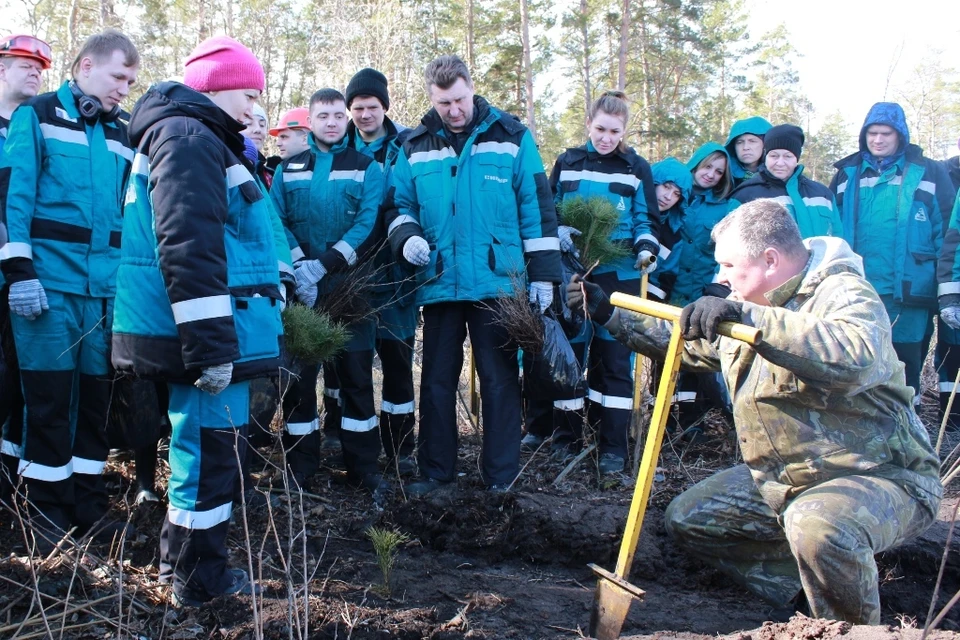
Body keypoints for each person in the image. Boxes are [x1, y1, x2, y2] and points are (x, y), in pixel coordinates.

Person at [568, 199, 942, 625]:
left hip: (881, 475)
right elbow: (689, 345)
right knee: (692, 518)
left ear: (769, 259)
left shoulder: (844, 292)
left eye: (728, 266)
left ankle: (851, 629)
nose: (719, 278)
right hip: (790, 477)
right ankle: (810, 590)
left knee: (817, 526)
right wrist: (608, 314)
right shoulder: (748, 299)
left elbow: (855, 356)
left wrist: (750, 315)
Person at [113, 35, 282, 606]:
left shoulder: (195, 135)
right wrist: (210, 346)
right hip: (210, 337)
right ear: (220, 86)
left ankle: (186, 569)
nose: (255, 109)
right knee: (207, 456)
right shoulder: (189, 136)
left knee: (208, 454)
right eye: (250, 92)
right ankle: (196, 581)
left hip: (217, 330)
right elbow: (189, 244)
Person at [385, 55, 561, 495]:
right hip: (440, 282)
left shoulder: (513, 137)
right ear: (432, 98)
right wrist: (406, 237)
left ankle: (501, 478)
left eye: (460, 99)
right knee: (437, 382)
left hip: (499, 282)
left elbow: (538, 212)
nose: (454, 110)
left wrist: (543, 277)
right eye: (444, 103)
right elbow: (396, 205)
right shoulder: (414, 145)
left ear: (471, 88)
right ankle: (435, 473)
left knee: (501, 381)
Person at [0, 29, 138, 547]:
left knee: (95, 403)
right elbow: (14, 199)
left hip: (104, 292)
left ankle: (88, 502)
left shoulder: (124, 132)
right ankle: (45, 510)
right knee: (50, 401)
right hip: (47, 289)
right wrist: (19, 272)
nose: (124, 88)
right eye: (117, 76)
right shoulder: (34, 116)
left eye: (130, 81)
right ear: (84, 67)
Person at [524, 90, 659, 474]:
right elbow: (547, 209)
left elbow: (647, 218)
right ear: (588, 124)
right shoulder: (567, 161)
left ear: (624, 131)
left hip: (621, 276)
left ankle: (612, 447)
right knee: (571, 355)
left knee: (614, 361)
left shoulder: (636, 167)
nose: (606, 137)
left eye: (614, 131)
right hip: (574, 272)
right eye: (600, 128)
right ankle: (566, 440)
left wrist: (645, 247)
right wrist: (559, 230)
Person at [271, 88, 386, 496]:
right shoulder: (288, 169)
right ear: (311, 122)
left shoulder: (367, 167)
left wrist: (325, 264)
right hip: (303, 295)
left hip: (351, 292)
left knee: (356, 380)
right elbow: (276, 219)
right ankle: (301, 465)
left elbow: (369, 224)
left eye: (340, 115)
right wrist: (301, 265)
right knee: (300, 384)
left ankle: (363, 468)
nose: (333, 122)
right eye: (324, 116)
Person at [830, 102, 955, 402]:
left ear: (900, 135)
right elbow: (830, 230)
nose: (878, 139)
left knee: (905, 362)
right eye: (872, 133)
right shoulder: (847, 174)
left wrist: (945, 285)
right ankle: (863, 427)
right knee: (857, 358)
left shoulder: (930, 172)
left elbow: (948, 230)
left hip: (910, 289)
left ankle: (907, 426)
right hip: (857, 288)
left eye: (886, 133)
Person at [344, 67, 418, 476]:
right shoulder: (340, 145)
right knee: (351, 368)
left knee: (397, 366)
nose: (364, 115)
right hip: (352, 276)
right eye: (357, 107)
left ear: (385, 107)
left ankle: (401, 448)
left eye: (371, 106)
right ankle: (358, 452)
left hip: (395, 276)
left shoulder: (406, 145)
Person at [0, 33, 52, 502]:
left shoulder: (36, 127)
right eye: (23, 64)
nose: (35, 71)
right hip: (9, 272)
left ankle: (11, 472)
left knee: (19, 381)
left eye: (39, 66)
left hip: (24, 280)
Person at [656, 142, 734, 431]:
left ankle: (691, 425)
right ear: (696, 164)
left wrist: (717, 288)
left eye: (719, 171)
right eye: (707, 166)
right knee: (662, 356)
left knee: (694, 362)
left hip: (701, 293)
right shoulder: (676, 195)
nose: (711, 174)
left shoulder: (727, 206)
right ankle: (661, 424)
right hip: (668, 291)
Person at [729, 124, 842, 238]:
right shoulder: (745, 195)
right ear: (765, 157)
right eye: (774, 156)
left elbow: (838, 238)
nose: (780, 163)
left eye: (788, 156)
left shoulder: (823, 194)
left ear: (796, 159)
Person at [724, 116, 772, 187]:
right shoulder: (723, 176)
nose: (745, 147)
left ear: (765, 144)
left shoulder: (779, 175)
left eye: (752, 141)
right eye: (740, 142)